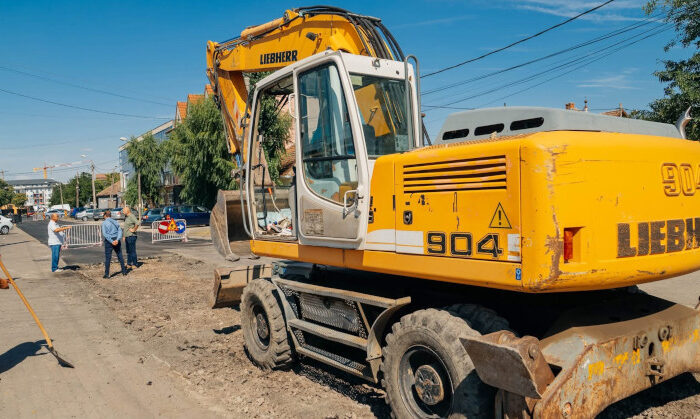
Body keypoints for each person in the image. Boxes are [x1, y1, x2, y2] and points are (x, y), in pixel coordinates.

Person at [101, 210, 127, 278]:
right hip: (116, 239)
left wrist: (111, 241)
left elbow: (105, 234)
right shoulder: (115, 221)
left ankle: (107, 274)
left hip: (109, 241)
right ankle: (124, 271)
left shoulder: (104, 223)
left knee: (108, 258)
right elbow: (119, 230)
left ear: (105, 215)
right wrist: (117, 239)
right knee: (120, 255)